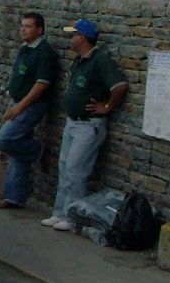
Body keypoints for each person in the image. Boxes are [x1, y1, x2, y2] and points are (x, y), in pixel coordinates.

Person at [42, 18, 127, 232]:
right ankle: (60, 212)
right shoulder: (79, 61)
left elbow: (119, 85)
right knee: (64, 167)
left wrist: (106, 106)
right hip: (73, 122)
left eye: (73, 35)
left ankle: (74, 217)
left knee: (76, 170)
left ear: (82, 37)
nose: (70, 39)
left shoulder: (100, 60)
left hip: (88, 126)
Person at [0, 12, 57, 209]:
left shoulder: (44, 52)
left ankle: (38, 150)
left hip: (30, 106)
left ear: (39, 30)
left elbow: (41, 84)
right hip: (17, 102)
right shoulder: (25, 49)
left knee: (3, 140)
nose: (23, 29)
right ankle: (15, 198)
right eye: (22, 25)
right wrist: (12, 103)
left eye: (28, 26)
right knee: (17, 152)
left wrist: (19, 107)